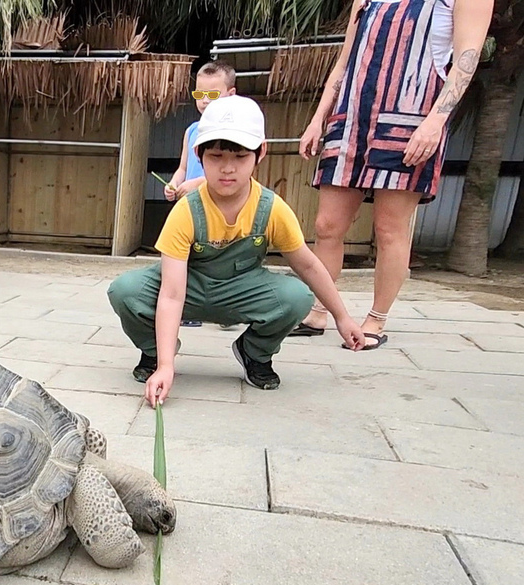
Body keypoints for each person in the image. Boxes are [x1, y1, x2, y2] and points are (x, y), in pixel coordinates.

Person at [107, 96, 366, 404]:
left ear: (260, 153)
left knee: (297, 296)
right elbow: (172, 294)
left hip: (242, 291)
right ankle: (154, 352)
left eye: (240, 157)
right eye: (216, 156)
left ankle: (254, 353)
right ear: (199, 155)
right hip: (189, 288)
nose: (227, 169)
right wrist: (166, 366)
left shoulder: (272, 209)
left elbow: (308, 266)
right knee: (125, 290)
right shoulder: (186, 211)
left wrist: (342, 316)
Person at [292, 0, 494, 349]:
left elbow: (467, 57)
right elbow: (345, 61)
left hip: (412, 116)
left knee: (389, 226)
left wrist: (435, 122)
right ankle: (319, 310)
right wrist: (318, 116)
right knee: (327, 225)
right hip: (352, 115)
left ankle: (376, 318)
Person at [165, 60, 238, 330]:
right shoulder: (191, 131)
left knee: (222, 258)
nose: (205, 101)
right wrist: (174, 183)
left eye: (212, 95)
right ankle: (188, 307)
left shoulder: (235, 133)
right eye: (199, 94)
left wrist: (196, 184)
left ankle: (227, 310)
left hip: (220, 207)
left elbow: (232, 173)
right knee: (187, 256)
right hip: (190, 206)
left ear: (230, 95)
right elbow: (183, 167)